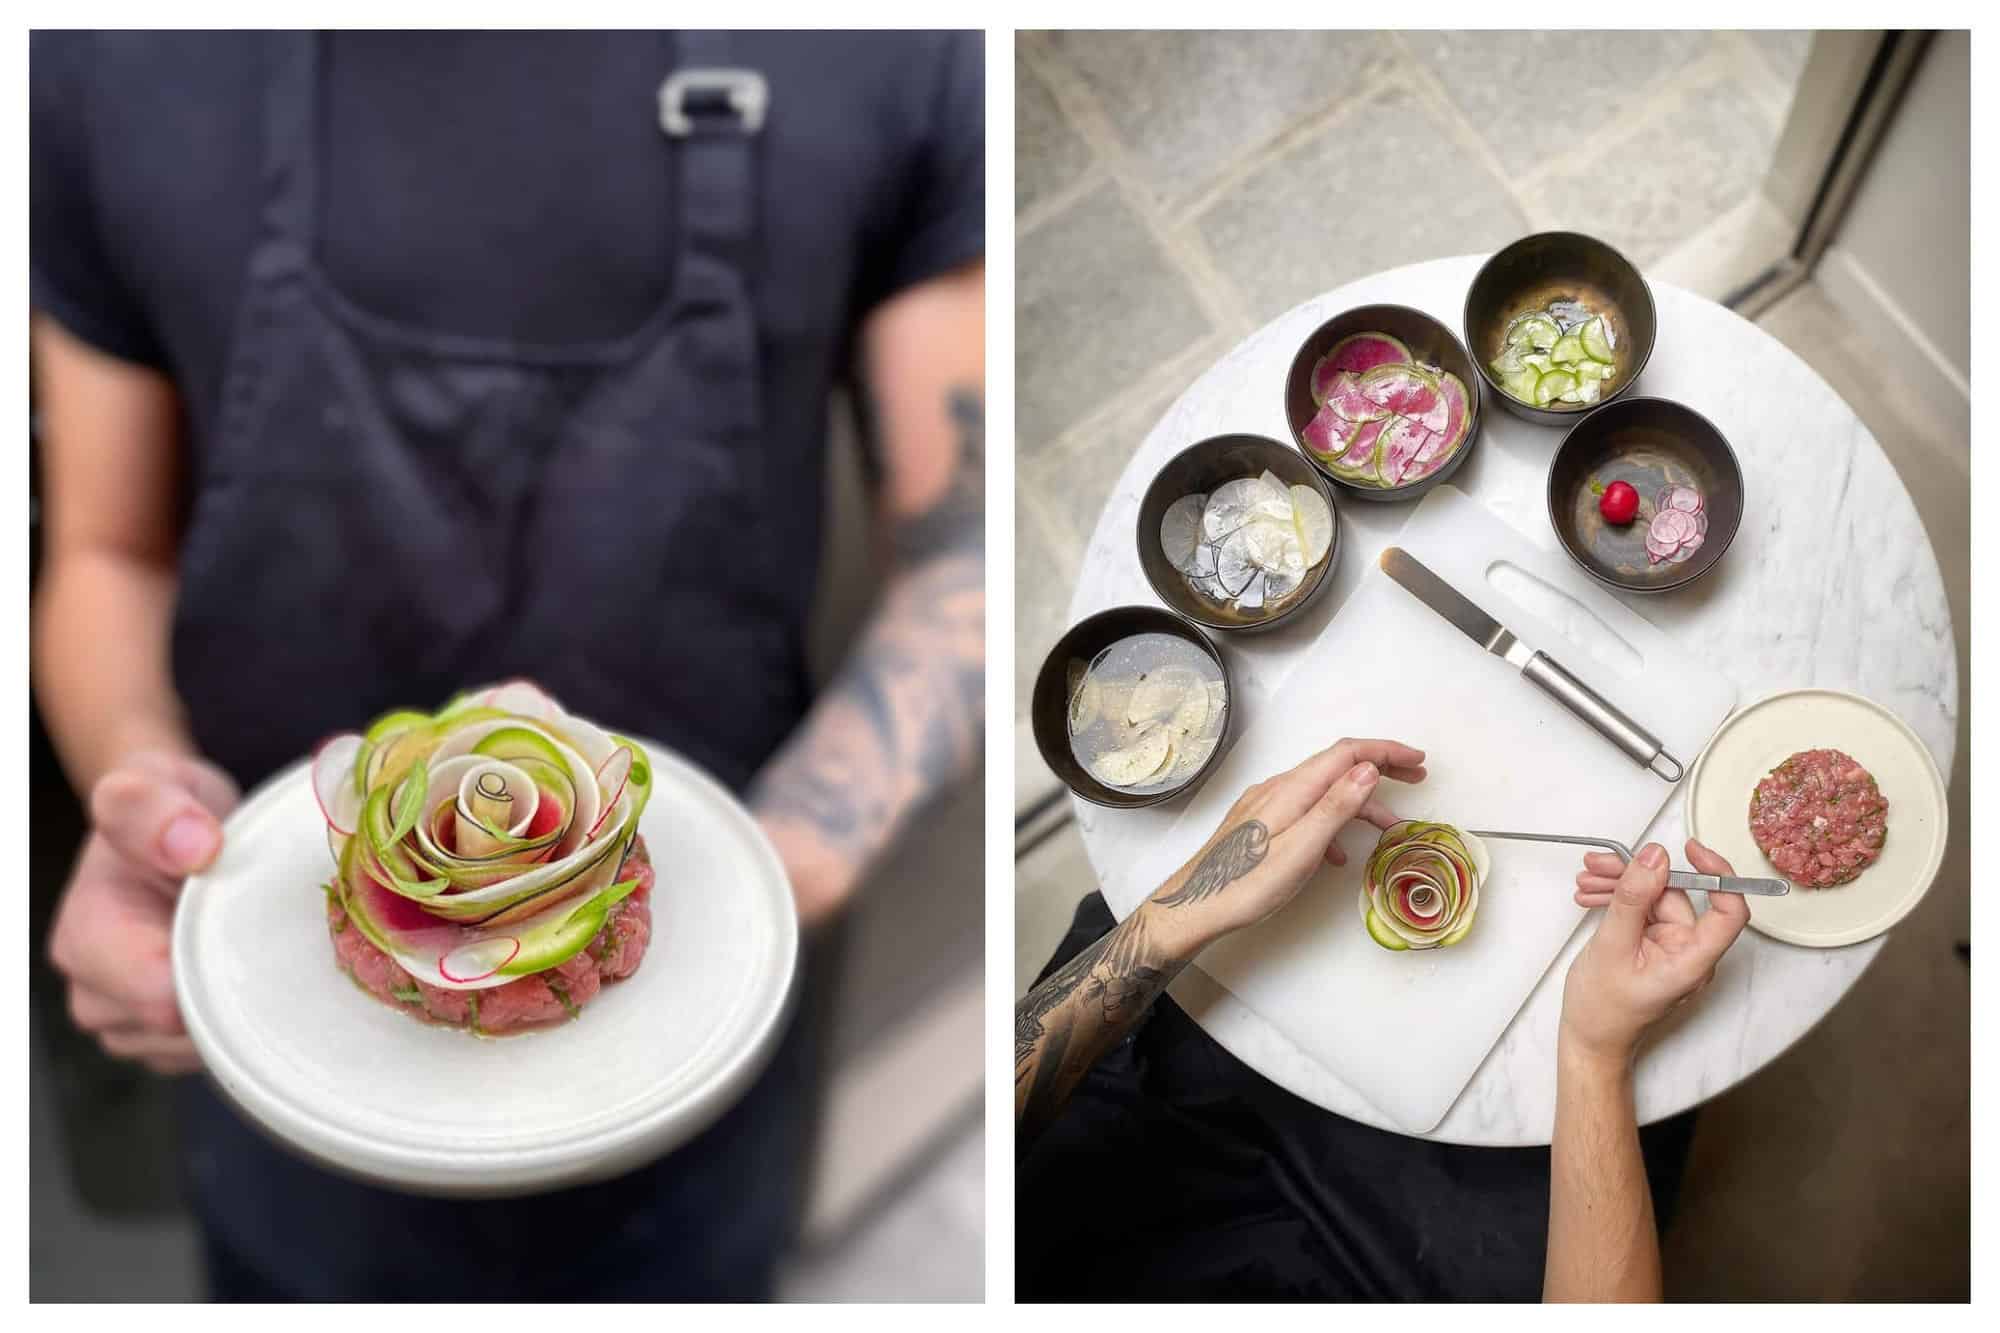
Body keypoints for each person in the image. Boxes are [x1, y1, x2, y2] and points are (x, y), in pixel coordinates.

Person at [32, 30, 982, 1300]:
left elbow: (960, 558)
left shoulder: (901, 47)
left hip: (698, 1036)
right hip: (282, 1004)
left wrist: (720, 910)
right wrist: (151, 814)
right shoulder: (98, 58)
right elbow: (103, 552)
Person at [1015, 738, 1750, 1301]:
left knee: (1111, 917)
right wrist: (1595, 1055)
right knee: (1650, 1088)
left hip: (1092, 1141)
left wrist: (1183, 911)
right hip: (1378, 1269)